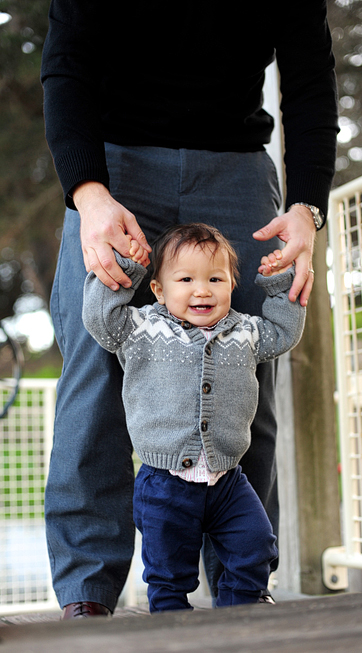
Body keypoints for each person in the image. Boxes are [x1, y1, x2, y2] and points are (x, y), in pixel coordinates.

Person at [41, 1, 338, 617]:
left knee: (244, 368)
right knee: (95, 377)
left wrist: (309, 207)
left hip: (237, 170)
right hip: (114, 165)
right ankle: (87, 596)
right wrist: (88, 193)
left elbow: (311, 78)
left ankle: (243, 585)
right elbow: (67, 62)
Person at [83, 223, 305, 612]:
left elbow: (284, 333)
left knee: (256, 546)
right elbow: (101, 320)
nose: (202, 289)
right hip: (164, 486)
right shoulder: (142, 329)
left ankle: (238, 616)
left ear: (232, 285)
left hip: (228, 483)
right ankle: (175, 632)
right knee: (169, 573)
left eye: (215, 279)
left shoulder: (246, 332)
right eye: (185, 279)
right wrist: (125, 268)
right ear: (159, 289)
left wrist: (278, 285)